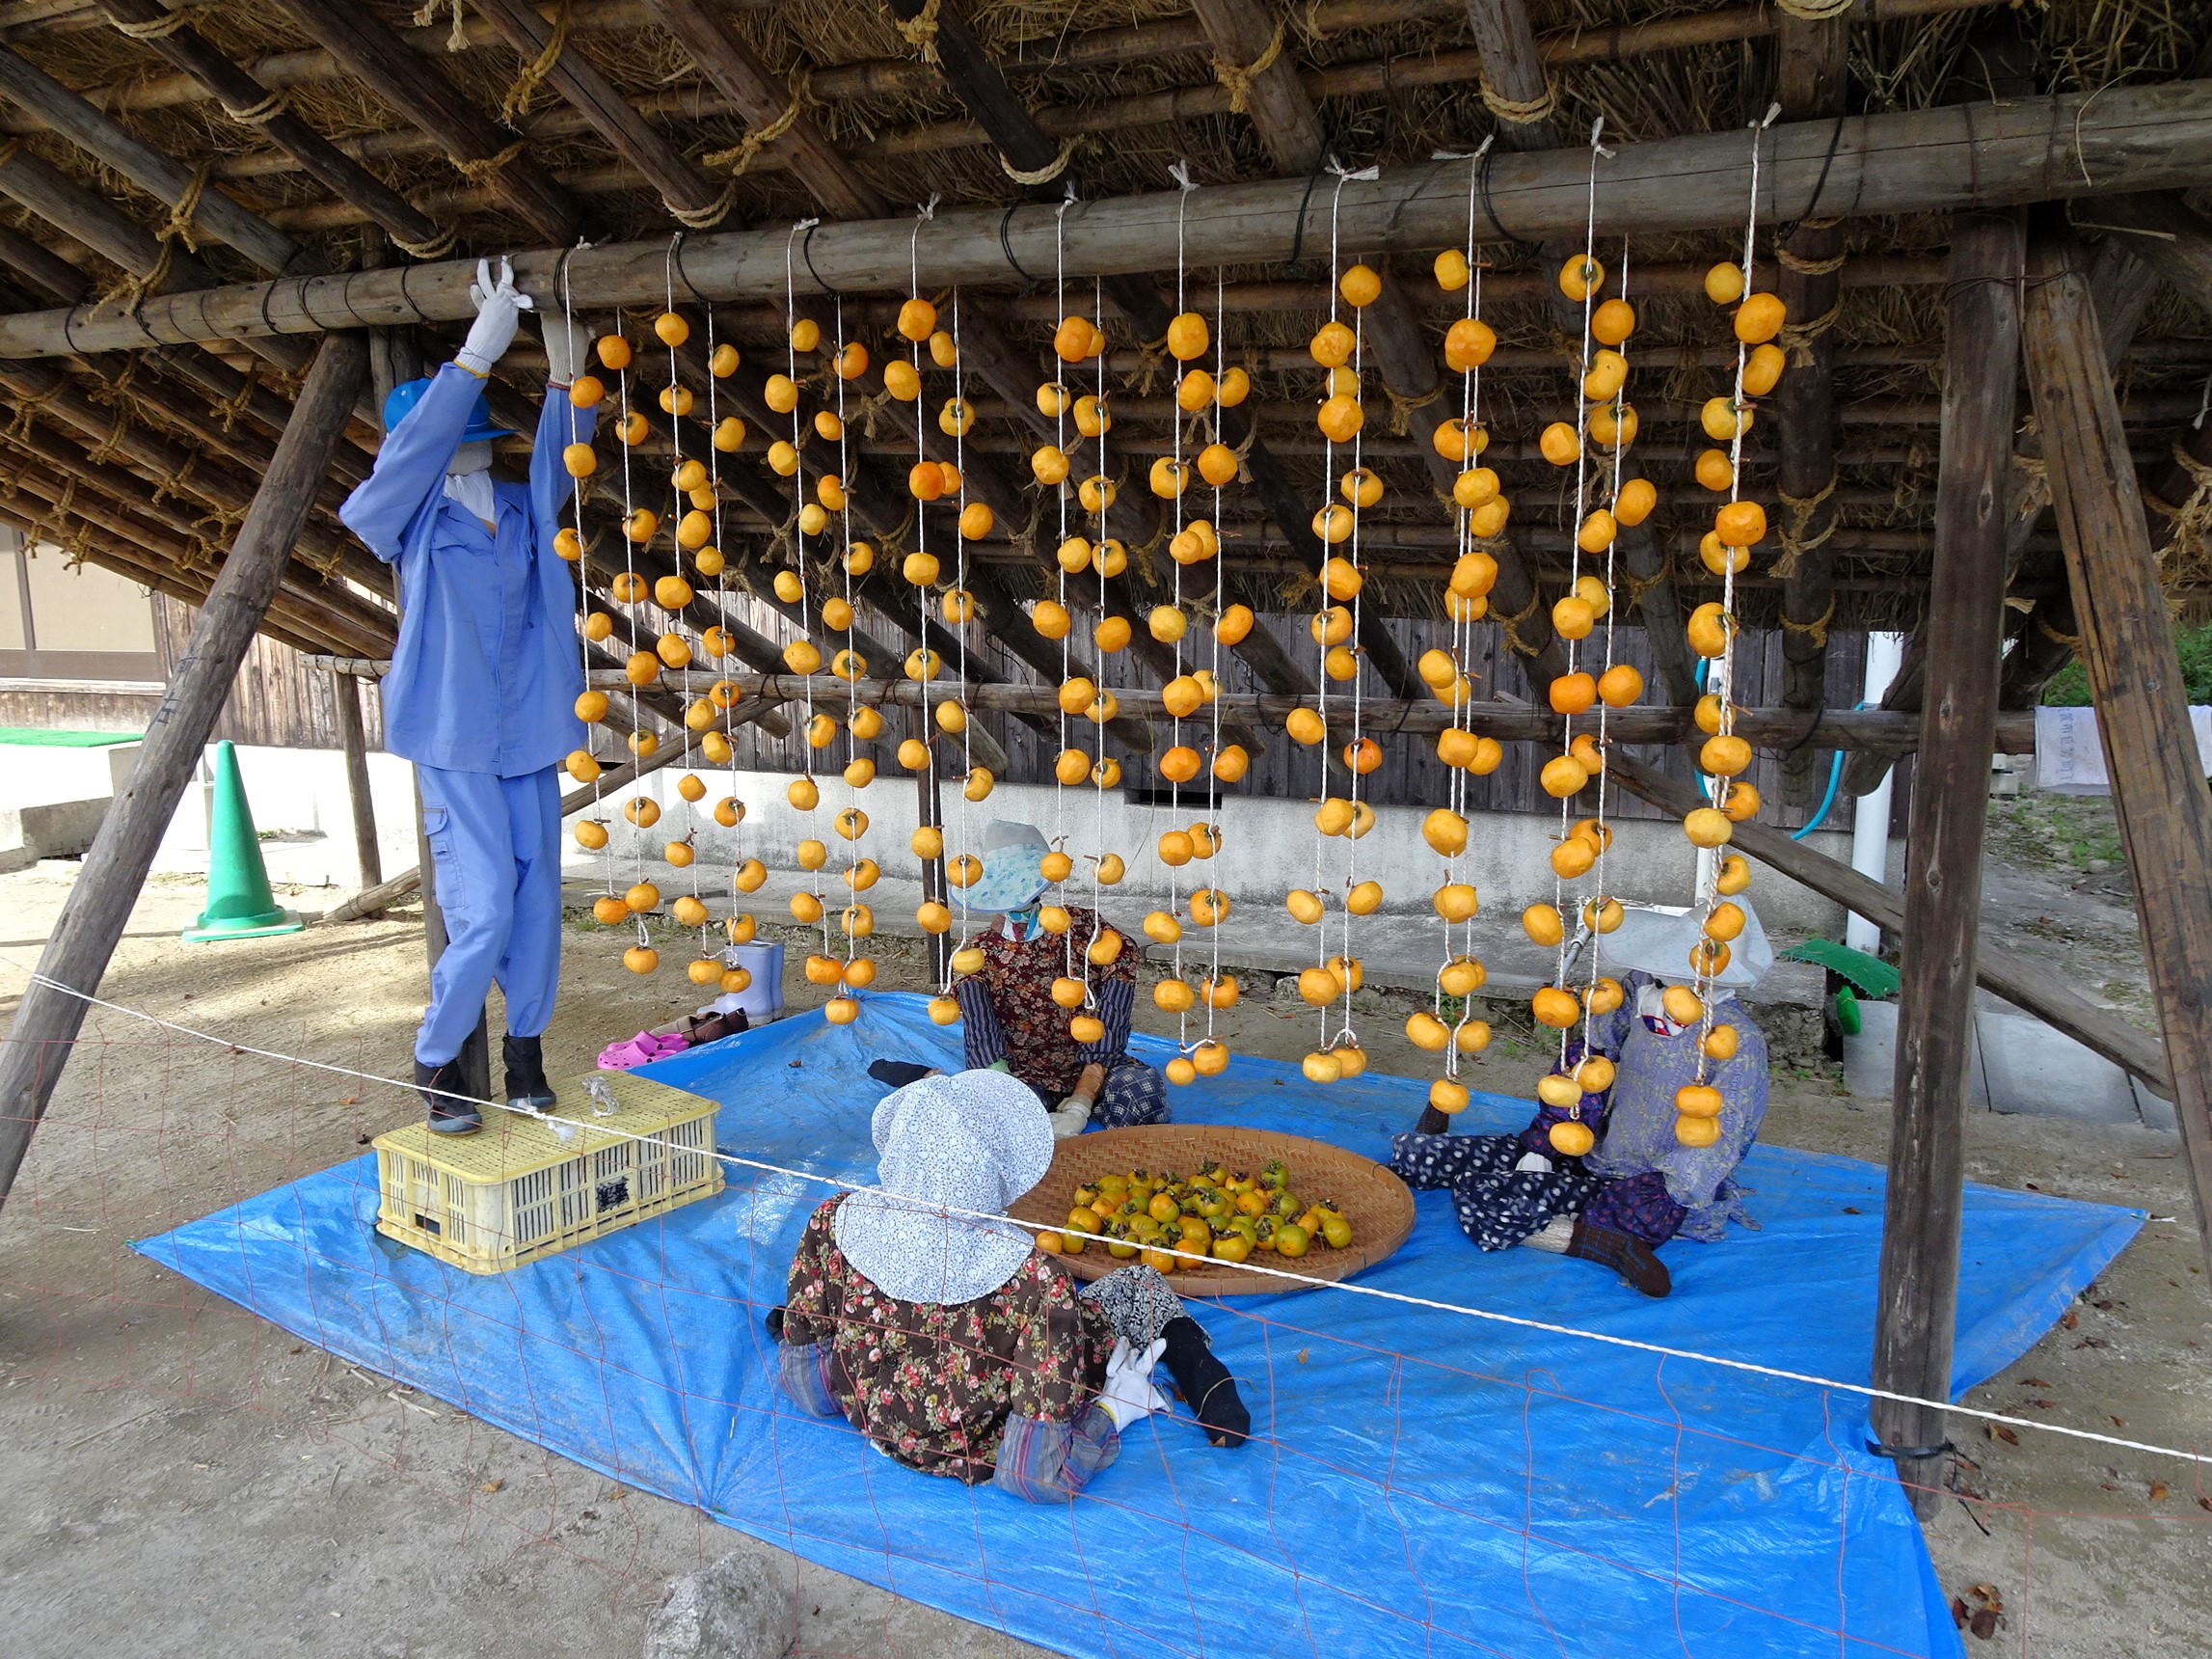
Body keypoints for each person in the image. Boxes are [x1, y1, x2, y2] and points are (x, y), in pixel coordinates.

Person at [339, 258, 592, 1134]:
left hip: (530, 732)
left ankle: (525, 1055)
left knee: (534, 910)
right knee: (479, 909)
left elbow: (568, 459)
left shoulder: (524, 509)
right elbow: (402, 466)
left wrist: (568, 371)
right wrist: (477, 354)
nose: (474, 448)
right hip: (449, 737)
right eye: (461, 433)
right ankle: (438, 1056)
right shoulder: (406, 519)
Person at [771, 1068, 1248, 1501]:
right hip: (977, 1442)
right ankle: (1197, 1365)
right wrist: (1110, 1412)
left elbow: (811, 1390)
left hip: (872, 1412)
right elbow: (1034, 1476)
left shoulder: (832, 1219)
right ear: (993, 1168)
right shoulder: (1036, 1280)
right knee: (1138, 1284)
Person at [1390, 903, 1773, 1298]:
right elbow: (1592, 1057)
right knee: (1429, 1156)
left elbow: (1723, 1135)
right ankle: (1421, 1155)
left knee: (1482, 1195)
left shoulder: (1737, 1042)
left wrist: (1663, 1193)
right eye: (1659, 978)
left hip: (1650, 1186)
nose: (1657, 987)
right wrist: (1551, 1135)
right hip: (1595, 1151)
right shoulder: (1640, 985)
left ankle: (1606, 1244)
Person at [952, 821, 1167, 1138]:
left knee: (1139, 1092)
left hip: (1097, 1065)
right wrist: (1008, 1095)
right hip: (1025, 1073)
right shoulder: (977, 953)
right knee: (999, 1122)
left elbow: (1122, 963)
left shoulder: (1080, 926)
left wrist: (1083, 1097)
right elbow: (983, 1038)